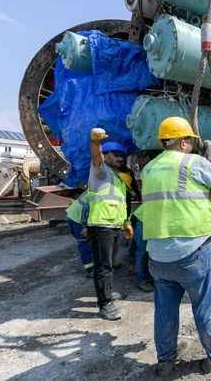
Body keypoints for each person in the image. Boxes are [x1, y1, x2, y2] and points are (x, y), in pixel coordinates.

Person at [140, 117, 211, 375]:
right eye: (191, 141)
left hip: (158, 257)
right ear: (183, 141)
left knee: (165, 312)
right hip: (193, 252)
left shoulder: (148, 169)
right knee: (205, 305)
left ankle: (166, 360)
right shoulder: (193, 162)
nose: (192, 146)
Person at [87, 128, 131, 321]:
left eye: (123, 156)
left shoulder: (117, 179)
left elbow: (120, 204)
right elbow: (96, 157)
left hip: (112, 225)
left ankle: (108, 292)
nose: (120, 159)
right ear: (106, 155)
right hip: (101, 224)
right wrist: (95, 143)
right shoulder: (101, 170)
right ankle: (105, 304)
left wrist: (125, 223)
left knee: (110, 264)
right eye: (116, 155)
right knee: (103, 266)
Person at [65, 191, 93, 276]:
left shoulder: (93, 187)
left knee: (84, 242)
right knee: (85, 243)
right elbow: (86, 208)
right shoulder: (99, 193)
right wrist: (85, 226)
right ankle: (90, 269)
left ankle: (90, 265)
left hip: (72, 215)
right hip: (78, 219)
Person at [130, 204, 153, 292]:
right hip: (144, 219)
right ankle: (141, 280)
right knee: (143, 251)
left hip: (142, 216)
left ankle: (136, 268)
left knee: (141, 250)